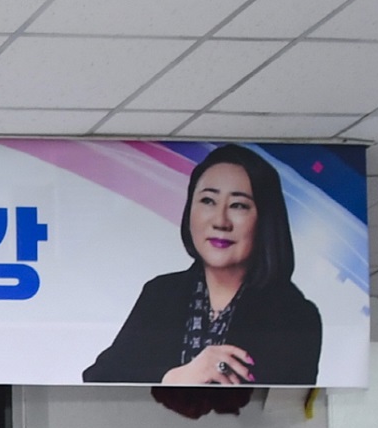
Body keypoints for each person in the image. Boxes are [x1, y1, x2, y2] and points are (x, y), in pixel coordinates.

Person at [83, 143, 323, 387]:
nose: (220, 221)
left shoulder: (295, 316)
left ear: (265, 220)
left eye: (238, 205)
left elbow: (283, 405)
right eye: (208, 201)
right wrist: (174, 377)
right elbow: (99, 378)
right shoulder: (160, 293)